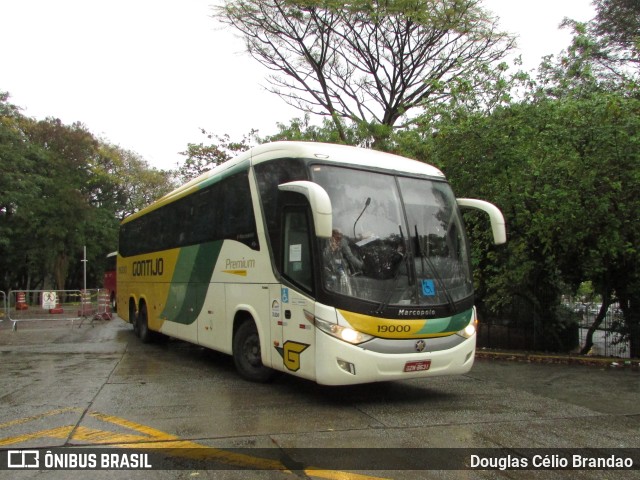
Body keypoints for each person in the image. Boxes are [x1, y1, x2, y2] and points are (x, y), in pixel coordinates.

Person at [323, 229, 363, 294]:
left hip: (342, 279)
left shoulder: (339, 251)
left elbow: (339, 264)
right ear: (331, 239)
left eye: (339, 239)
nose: (337, 242)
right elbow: (326, 262)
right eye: (336, 239)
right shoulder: (325, 252)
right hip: (331, 282)